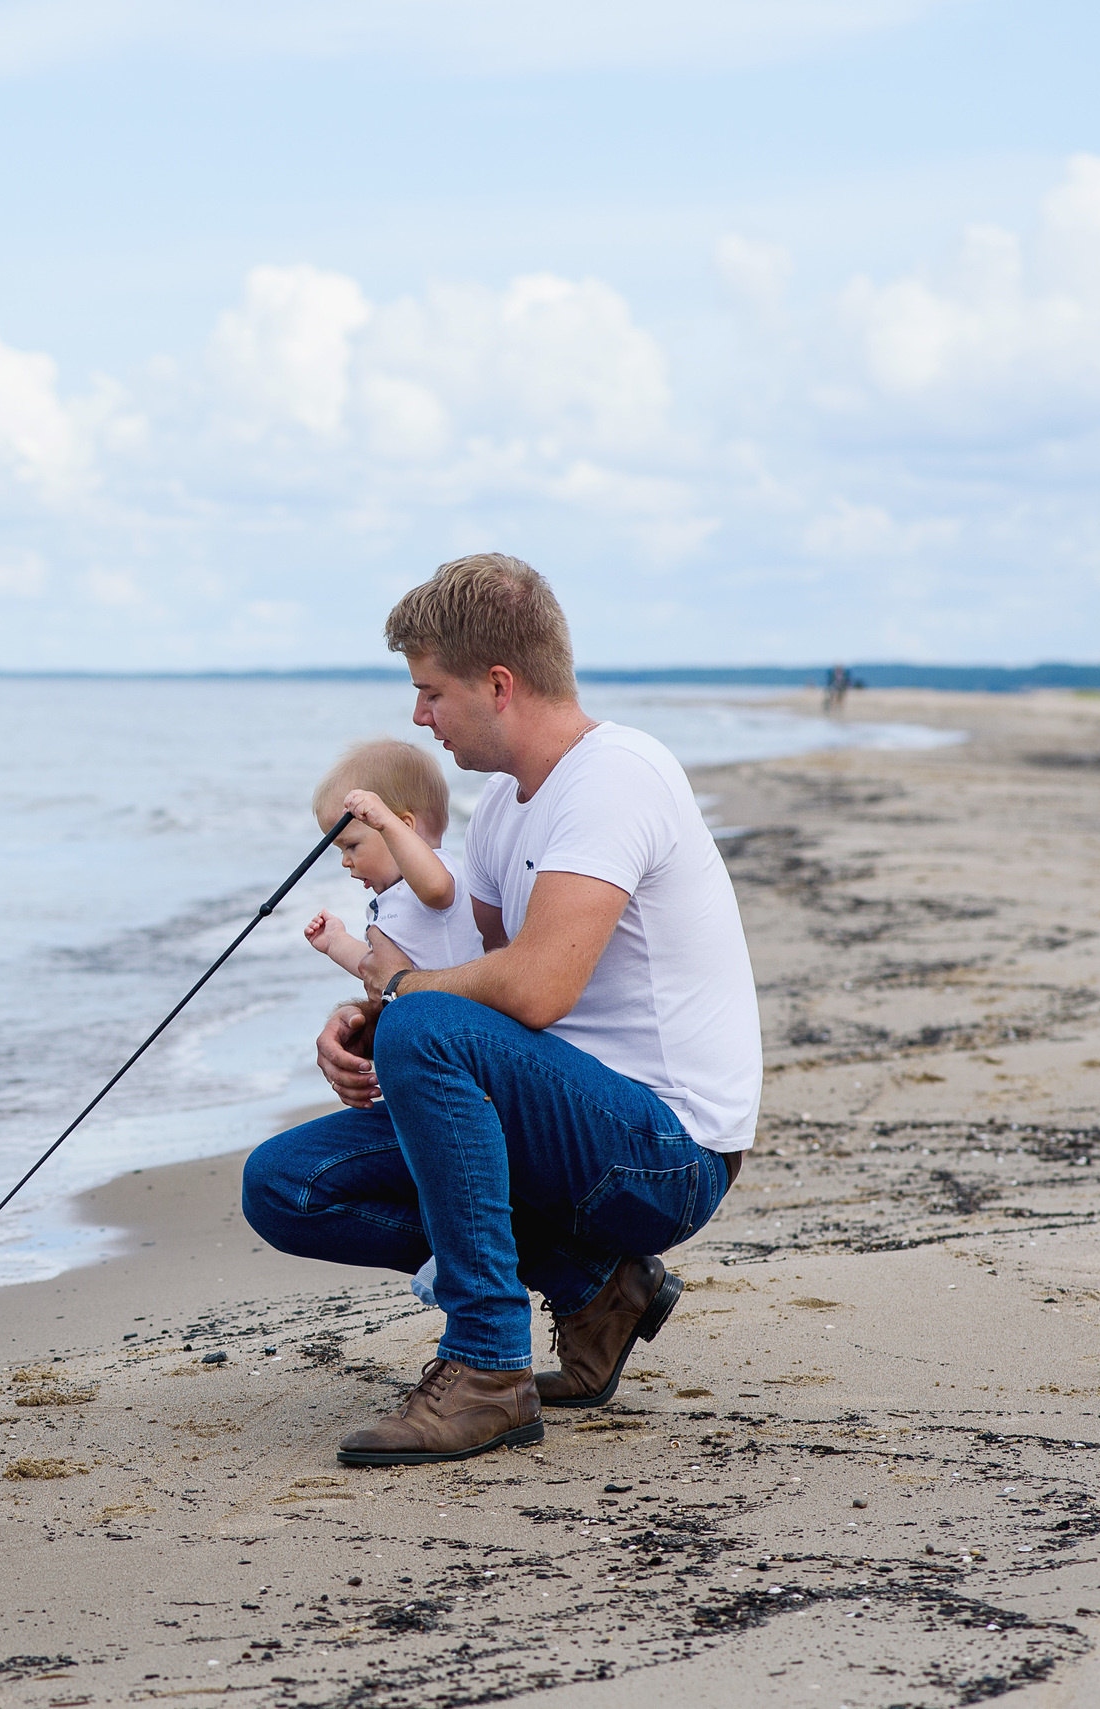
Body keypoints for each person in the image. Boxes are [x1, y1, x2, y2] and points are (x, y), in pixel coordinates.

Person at [243, 553, 759, 1467]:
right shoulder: (502, 813)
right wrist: (363, 1012)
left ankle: (487, 1366)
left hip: (665, 1151)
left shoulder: (616, 776)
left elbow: (533, 989)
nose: (417, 716)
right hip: (562, 1125)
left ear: (499, 683)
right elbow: (471, 975)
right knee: (285, 1184)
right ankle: (597, 1287)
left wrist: (406, 1007)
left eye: (430, 691)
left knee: (426, 1027)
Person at [298, 738, 483, 981]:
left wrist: (385, 822)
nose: (345, 861)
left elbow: (436, 890)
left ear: (404, 828)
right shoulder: (393, 897)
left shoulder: (438, 871)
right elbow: (378, 972)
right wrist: (335, 942)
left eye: (351, 846)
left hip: (456, 1015)